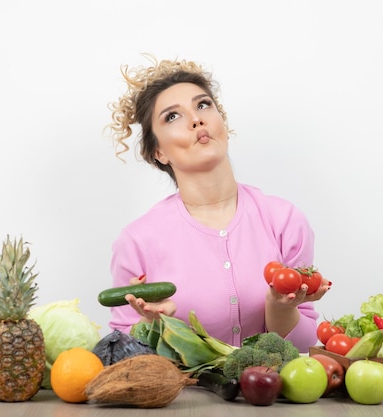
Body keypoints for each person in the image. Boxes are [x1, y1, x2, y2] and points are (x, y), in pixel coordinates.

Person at [106, 56, 331, 352]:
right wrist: (153, 326)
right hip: (183, 398)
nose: (197, 119)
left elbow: (305, 343)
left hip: (272, 394)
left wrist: (280, 307)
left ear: (220, 121)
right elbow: (122, 351)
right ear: (158, 151)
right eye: (172, 117)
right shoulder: (137, 241)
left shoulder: (285, 221)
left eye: (203, 105)